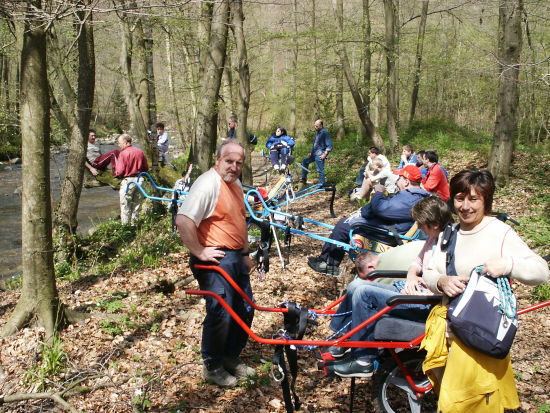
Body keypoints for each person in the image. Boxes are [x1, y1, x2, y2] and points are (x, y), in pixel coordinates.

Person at [421, 169, 549, 412]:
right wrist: (441, 281)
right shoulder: (449, 234)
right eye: (460, 198)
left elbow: (541, 271)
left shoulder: (499, 232)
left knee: (470, 402)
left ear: (485, 200)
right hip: (449, 334)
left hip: (482, 338)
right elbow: (428, 271)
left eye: (474, 199)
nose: (466, 206)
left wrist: (509, 265)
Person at [325, 196, 453, 377]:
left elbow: (447, 280)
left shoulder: (450, 243)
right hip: (409, 290)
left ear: (433, 224)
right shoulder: (432, 239)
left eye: (421, 224)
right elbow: (417, 262)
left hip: (426, 302)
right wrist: (411, 277)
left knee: (364, 292)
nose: (419, 227)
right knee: (356, 285)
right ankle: (343, 340)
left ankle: (364, 360)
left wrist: (428, 282)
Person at [175, 139, 255, 388]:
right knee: (222, 312)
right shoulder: (207, 184)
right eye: (229, 161)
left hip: (234, 258)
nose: (234, 166)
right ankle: (212, 365)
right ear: (218, 160)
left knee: (245, 308)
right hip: (215, 258)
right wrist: (199, 251)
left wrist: (244, 253)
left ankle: (230, 357)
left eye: (238, 163)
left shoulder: (236, 184)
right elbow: (183, 220)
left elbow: (239, 220)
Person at [308, 165, 429, 275]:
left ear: (406, 181)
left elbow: (382, 209)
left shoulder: (408, 198)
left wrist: (378, 192)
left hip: (387, 234)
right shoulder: (416, 196)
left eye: (399, 178)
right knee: (348, 221)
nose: (397, 181)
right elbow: (387, 209)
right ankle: (328, 261)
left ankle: (328, 264)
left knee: (344, 225)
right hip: (391, 228)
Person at [113, 134, 149, 225]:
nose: (119, 145)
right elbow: (146, 168)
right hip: (140, 180)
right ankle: (134, 225)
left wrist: (116, 173)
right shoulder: (140, 151)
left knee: (125, 205)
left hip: (128, 181)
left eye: (120, 143)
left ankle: (125, 227)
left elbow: (120, 171)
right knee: (136, 205)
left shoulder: (123, 153)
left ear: (125, 142)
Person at [300, 119, 333, 187]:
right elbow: (316, 144)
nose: (315, 127)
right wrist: (311, 153)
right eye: (315, 126)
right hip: (314, 154)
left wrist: (325, 154)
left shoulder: (325, 133)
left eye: (317, 126)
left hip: (320, 154)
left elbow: (329, 145)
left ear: (321, 125)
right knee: (305, 161)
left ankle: (321, 184)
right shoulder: (318, 132)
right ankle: (303, 178)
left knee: (320, 169)